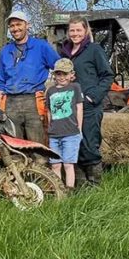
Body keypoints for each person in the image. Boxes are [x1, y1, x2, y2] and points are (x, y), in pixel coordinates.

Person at [61, 15, 114, 186]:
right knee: (73, 142)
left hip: (89, 105)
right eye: (72, 30)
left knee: (89, 143)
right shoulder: (65, 52)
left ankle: (95, 185)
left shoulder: (94, 49)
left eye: (78, 30)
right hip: (70, 106)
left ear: (85, 31)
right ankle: (80, 184)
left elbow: (107, 75)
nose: (75, 33)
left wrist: (93, 96)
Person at [0, 10, 60, 144]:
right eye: (12, 26)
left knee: (37, 144)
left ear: (27, 25)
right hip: (10, 102)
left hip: (33, 100)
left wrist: (51, 91)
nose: (15, 28)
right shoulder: (5, 51)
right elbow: (0, 82)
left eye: (19, 24)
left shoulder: (41, 46)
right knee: (14, 145)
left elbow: (60, 68)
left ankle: (39, 164)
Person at [46, 58, 84, 189]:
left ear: (71, 75)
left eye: (65, 74)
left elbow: (79, 108)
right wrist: (50, 127)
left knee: (68, 164)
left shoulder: (75, 88)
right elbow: (49, 111)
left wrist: (79, 128)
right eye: (58, 74)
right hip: (54, 134)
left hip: (70, 133)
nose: (62, 77)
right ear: (54, 75)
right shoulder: (50, 91)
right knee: (55, 164)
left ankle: (69, 190)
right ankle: (57, 190)